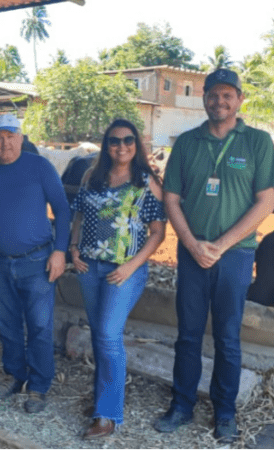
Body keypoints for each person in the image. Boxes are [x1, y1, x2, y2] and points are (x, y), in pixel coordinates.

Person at [154, 68, 274, 443]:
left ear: (239, 99)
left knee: (227, 338)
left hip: (235, 256)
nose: (219, 101)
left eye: (227, 95)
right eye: (213, 95)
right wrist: (192, 244)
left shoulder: (257, 141)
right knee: (188, 335)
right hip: (192, 253)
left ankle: (225, 413)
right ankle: (181, 405)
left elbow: (265, 202)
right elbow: (171, 198)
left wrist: (220, 246)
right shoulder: (187, 143)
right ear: (204, 98)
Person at [70, 119, 166, 439]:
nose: (121, 146)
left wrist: (131, 265)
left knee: (109, 335)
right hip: (90, 268)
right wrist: (73, 248)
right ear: (106, 144)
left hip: (124, 271)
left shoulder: (145, 181)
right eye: (114, 141)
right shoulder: (92, 176)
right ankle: (102, 402)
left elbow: (157, 232)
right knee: (100, 334)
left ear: (136, 144)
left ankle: (109, 416)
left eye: (127, 140)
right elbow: (79, 215)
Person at [0, 113, 70, 414]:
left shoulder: (39, 166)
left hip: (37, 261)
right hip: (0, 263)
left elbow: (63, 210)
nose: (5, 142)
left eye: (11, 136)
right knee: (8, 325)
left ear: (21, 138)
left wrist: (60, 251)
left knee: (40, 326)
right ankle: (15, 375)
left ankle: (39, 386)